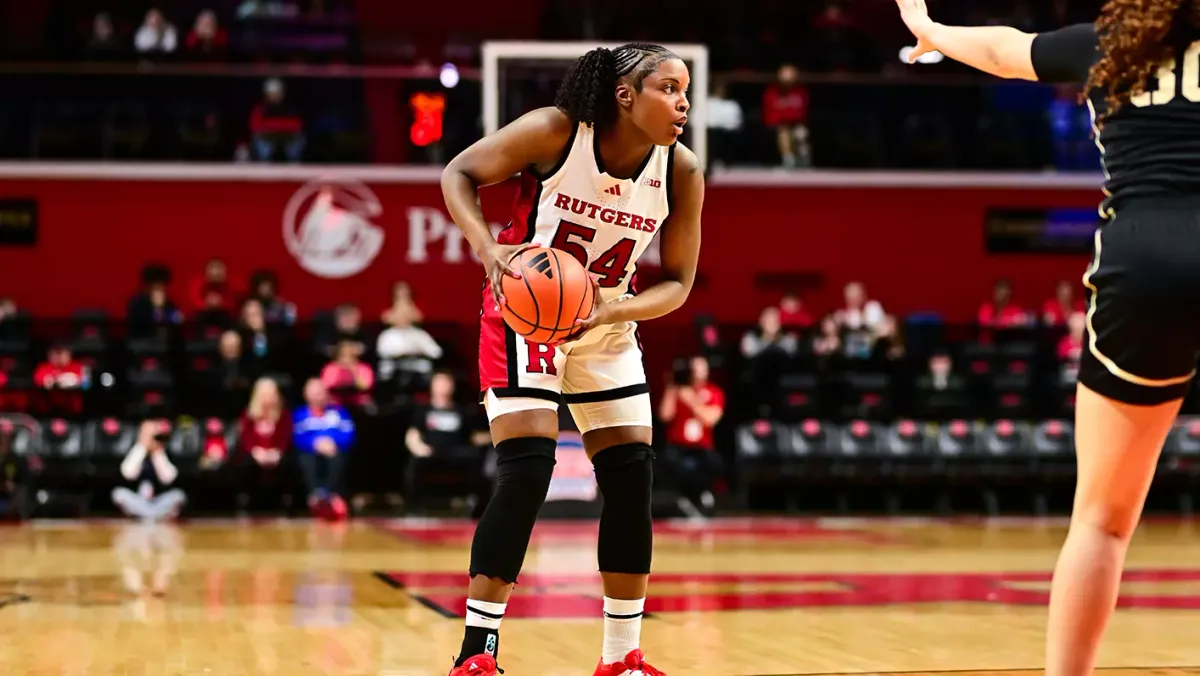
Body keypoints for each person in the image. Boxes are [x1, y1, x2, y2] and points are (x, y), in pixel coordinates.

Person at [895, 2, 1200, 675]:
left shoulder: (1109, 43)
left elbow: (1007, 50)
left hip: (1144, 261)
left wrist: (935, 32)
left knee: (1102, 522)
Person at [440, 42, 703, 676]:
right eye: (668, 88)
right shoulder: (557, 131)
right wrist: (488, 250)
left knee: (631, 479)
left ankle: (622, 659)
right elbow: (459, 173)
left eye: (685, 90)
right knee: (528, 472)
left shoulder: (683, 169)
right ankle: (477, 654)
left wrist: (614, 312)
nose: (683, 102)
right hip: (525, 313)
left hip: (606, 324)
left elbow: (679, 282)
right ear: (625, 96)